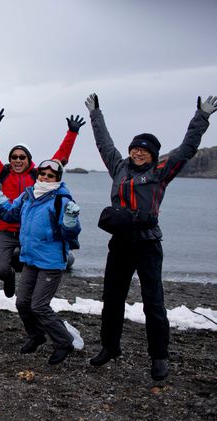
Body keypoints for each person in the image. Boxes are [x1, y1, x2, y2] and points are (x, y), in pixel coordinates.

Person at [85, 93, 217, 381]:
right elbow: (103, 142)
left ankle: (159, 357)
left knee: (153, 303)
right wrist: (96, 114)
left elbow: (187, 148)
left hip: (147, 244)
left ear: (153, 155)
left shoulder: (162, 170)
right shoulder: (119, 167)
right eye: (135, 148)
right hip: (119, 244)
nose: (138, 152)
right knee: (112, 299)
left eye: (144, 150)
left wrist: (201, 117)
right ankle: (110, 347)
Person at [0, 108, 84, 298]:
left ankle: (33, 298)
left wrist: (72, 133)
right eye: (14, 157)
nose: (18, 160)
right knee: (0, 270)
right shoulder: (1, 172)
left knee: (35, 270)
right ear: (10, 159)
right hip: (5, 229)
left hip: (28, 230)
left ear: (29, 159)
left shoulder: (38, 175)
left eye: (22, 157)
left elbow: (59, 159)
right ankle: (11, 276)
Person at [0, 159, 81, 365]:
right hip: (30, 259)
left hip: (51, 262)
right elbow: (9, 213)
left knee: (39, 306)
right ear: (38, 174)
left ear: (57, 179)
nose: (45, 178)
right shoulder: (28, 195)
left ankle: (64, 342)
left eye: (50, 176)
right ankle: (37, 335)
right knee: (22, 302)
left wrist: (71, 221)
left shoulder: (62, 200)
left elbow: (71, 232)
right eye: (42, 174)